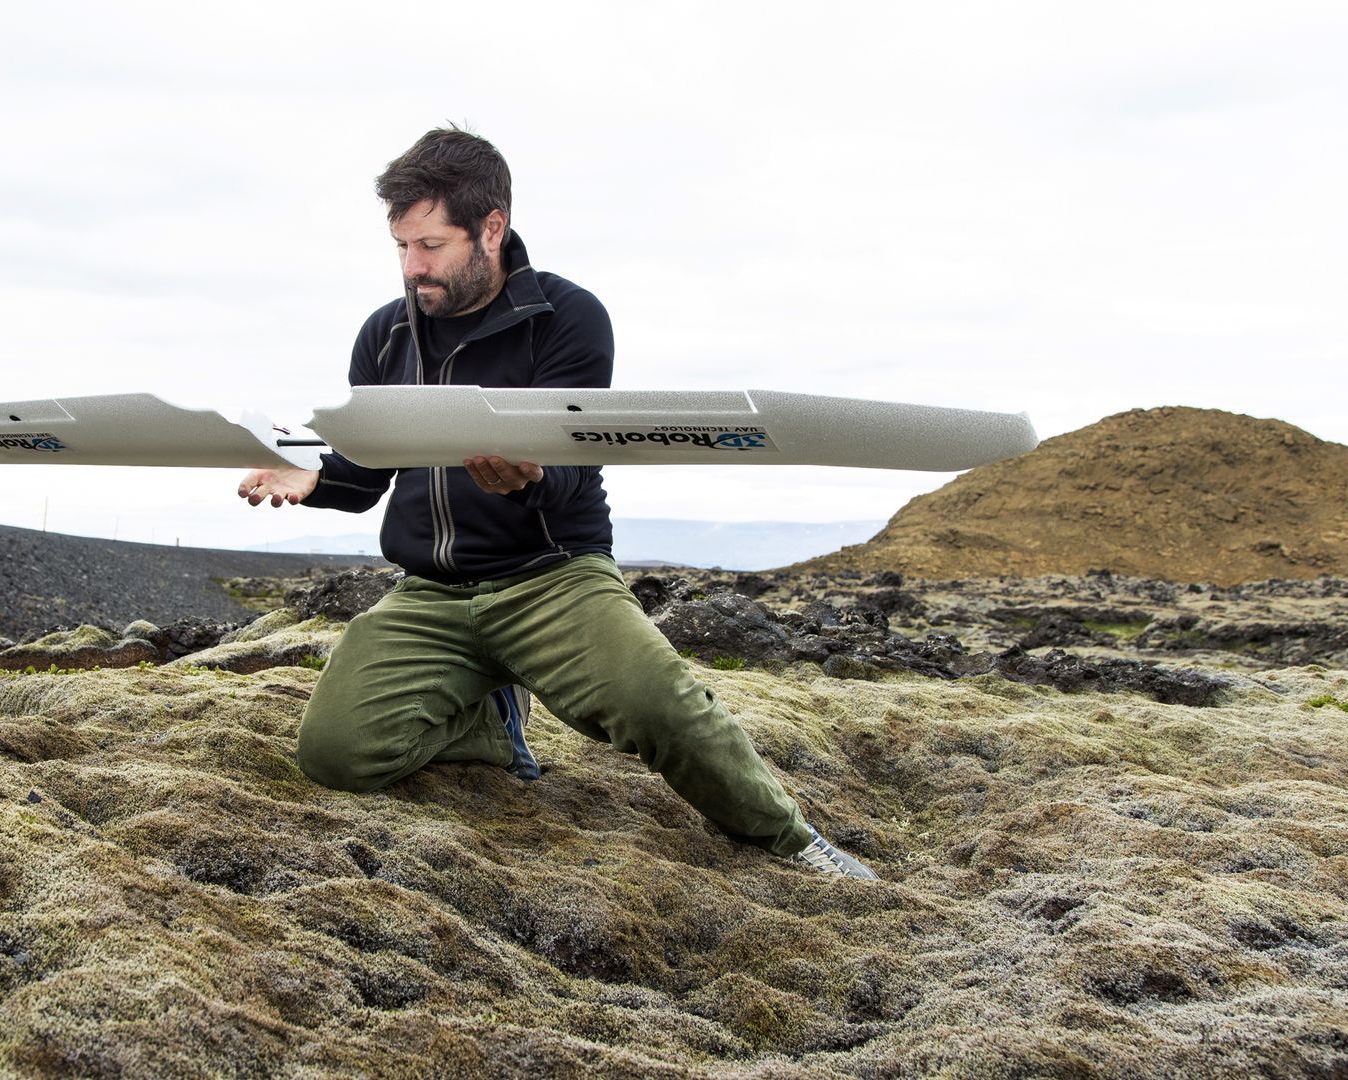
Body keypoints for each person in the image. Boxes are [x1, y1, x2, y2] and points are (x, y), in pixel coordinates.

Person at [236, 126, 874, 879]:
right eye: (402, 247)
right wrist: (315, 481)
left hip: (550, 577)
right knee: (335, 754)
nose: (413, 268)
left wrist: (530, 477)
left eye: (431, 246)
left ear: (492, 229)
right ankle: (496, 719)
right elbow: (372, 473)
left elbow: (577, 466)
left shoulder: (567, 319)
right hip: (431, 595)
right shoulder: (384, 336)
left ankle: (791, 840)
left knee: (661, 708)